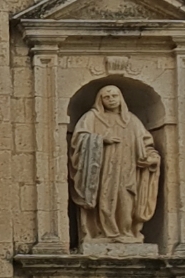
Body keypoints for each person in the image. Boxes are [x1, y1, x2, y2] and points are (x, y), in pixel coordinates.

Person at [68, 85, 161, 244]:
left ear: (120, 98)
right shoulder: (92, 117)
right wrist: (100, 140)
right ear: (100, 100)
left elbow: (147, 144)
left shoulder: (132, 120)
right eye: (107, 97)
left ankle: (126, 232)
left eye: (114, 96)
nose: (111, 99)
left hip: (127, 169)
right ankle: (103, 233)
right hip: (102, 170)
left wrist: (151, 157)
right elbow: (79, 138)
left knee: (126, 199)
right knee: (104, 198)